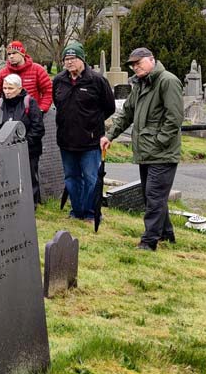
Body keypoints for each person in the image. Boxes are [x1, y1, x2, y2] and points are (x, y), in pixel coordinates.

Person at [102, 48, 183, 251]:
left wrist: (159, 141)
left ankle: (149, 241)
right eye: (133, 64)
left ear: (152, 60)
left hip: (161, 153)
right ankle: (166, 234)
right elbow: (127, 113)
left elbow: (174, 118)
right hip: (146, 152)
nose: (135, 67)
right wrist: (110, 136)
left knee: (154, 196)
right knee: (151, 196)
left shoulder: (167, 81)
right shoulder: (139, 84)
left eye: (139, 63)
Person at [52, 41, 115, 221]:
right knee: (71, 177)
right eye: (66, 59)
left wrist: (91, 123)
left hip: (90, 140)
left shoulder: (96, 80)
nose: (69, 62)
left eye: (73, 58)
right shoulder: (59, 81)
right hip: (66, 139)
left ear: (82, 60)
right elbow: (58, 104)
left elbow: (109, 107)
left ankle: (90, 212)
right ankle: (76, 211)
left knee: (91, 178)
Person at [0, 74, 44, 206]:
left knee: (29, 177)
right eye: (5, 88)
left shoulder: (29, 103)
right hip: (6, 148)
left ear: (19, 88)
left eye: (10, 88)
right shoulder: (0, 103)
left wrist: (23, 144)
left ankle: (31, 204)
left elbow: (38, 127)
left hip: (28, 149)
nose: (7, 91)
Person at [0, 40, 53, 112]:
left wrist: (41, 109)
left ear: (22, 54)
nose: (11, 56)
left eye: (14, 53)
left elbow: (48, 91)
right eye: (9, 54)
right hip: (10, 114)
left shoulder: (37, 70)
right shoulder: (3, 73)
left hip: (32, 114)